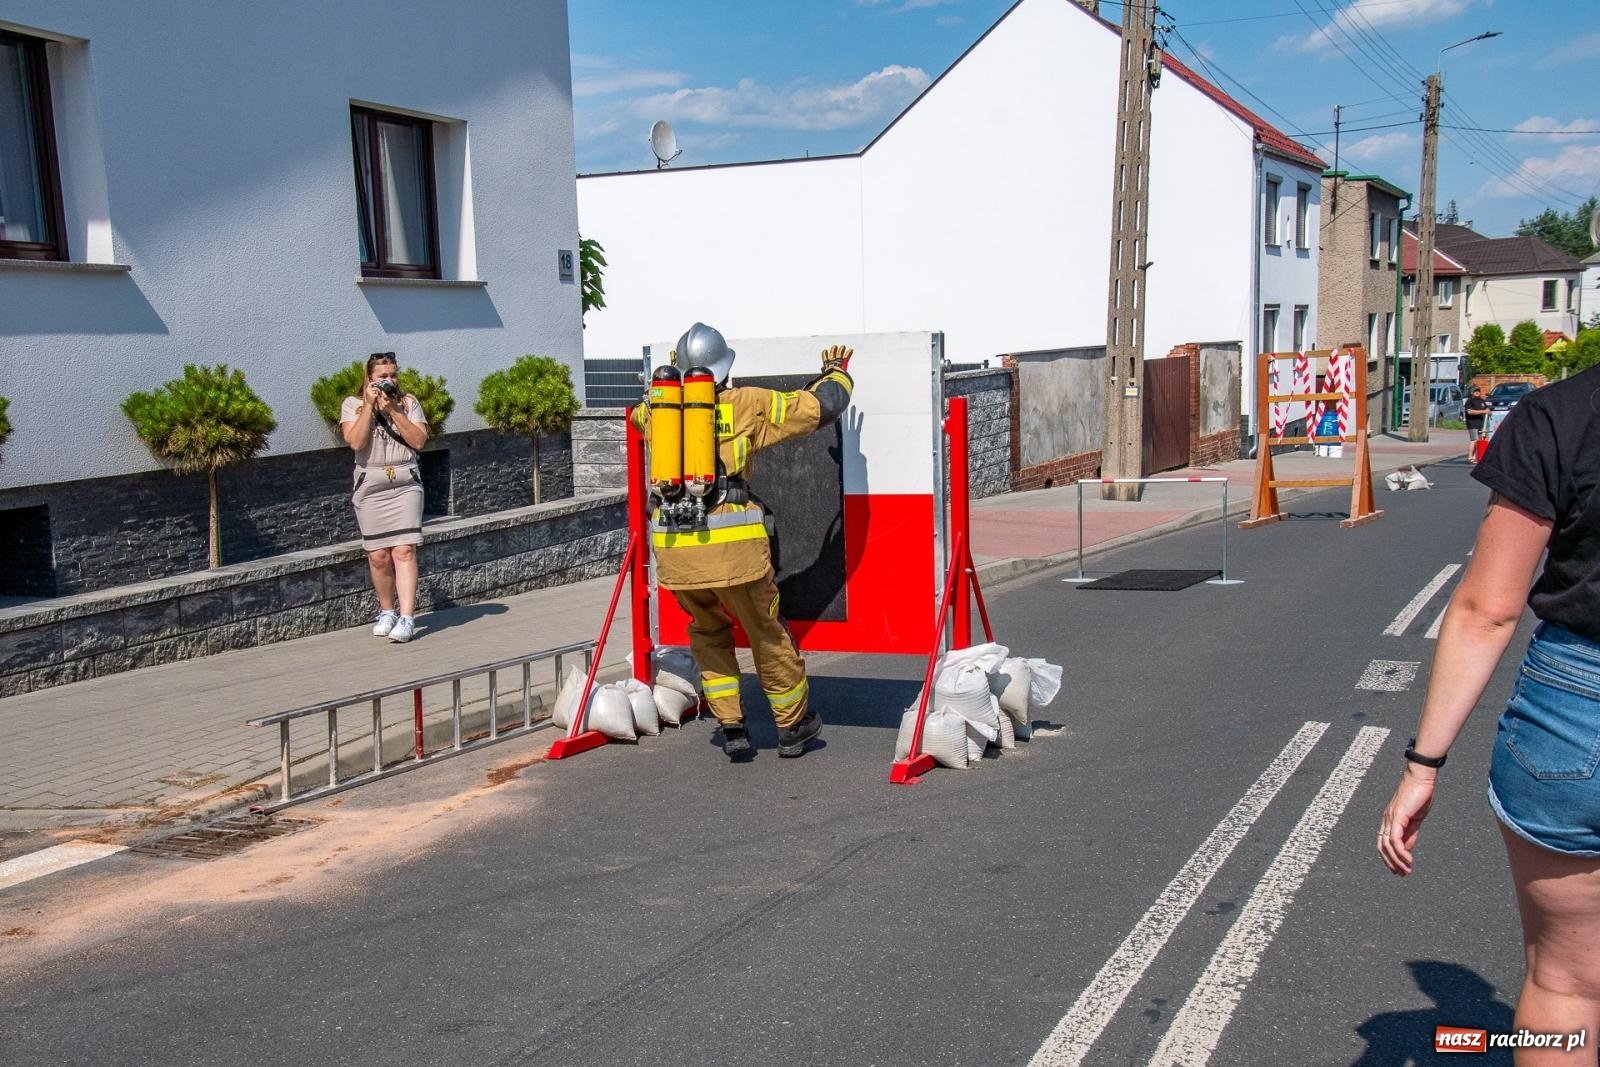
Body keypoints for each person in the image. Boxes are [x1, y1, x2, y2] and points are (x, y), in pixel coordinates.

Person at [1378, 361, 1600, 1062]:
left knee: (1568, 983)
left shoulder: (1561, 414)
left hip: (1577, 710)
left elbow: (1486, 607)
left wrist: (1423, 765)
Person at [630, 323, 854, 760]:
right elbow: (817, 408)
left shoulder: (654, 414)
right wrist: (836, 373)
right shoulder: (747, 403)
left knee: (707, 632)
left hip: (677, 558)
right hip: (736, 556)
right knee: (766, 634)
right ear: (724, 367)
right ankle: (793, 727)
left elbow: (637, 416)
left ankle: (732, 727)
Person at [340, 352, 430, 643]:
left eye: (393, 375)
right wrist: (369, 405)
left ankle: (406, 617)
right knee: (378, 556)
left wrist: (394, 411)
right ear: (369, 378)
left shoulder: (408, 403)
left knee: (404, 550)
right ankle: (386, 610)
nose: (389, 381)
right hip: (371, 485)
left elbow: (418, 441)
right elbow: (355, 442)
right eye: (382, 376)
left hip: (404, 483)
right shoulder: (352, 405)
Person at [1464, 385, 1490, 459]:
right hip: (1472, 423)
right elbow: (1470, 412)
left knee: (1480, 440)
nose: (1477, 392)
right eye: (1475, 391)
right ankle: (1470, 457)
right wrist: (1483, 411)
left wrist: (1488, 412)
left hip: (1481, 423)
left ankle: (1476, 456)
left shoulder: (1481, 400)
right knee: (1474, 440)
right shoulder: (1469, 401)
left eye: (1478, 391)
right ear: (1472, 392)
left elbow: (1487, 409)